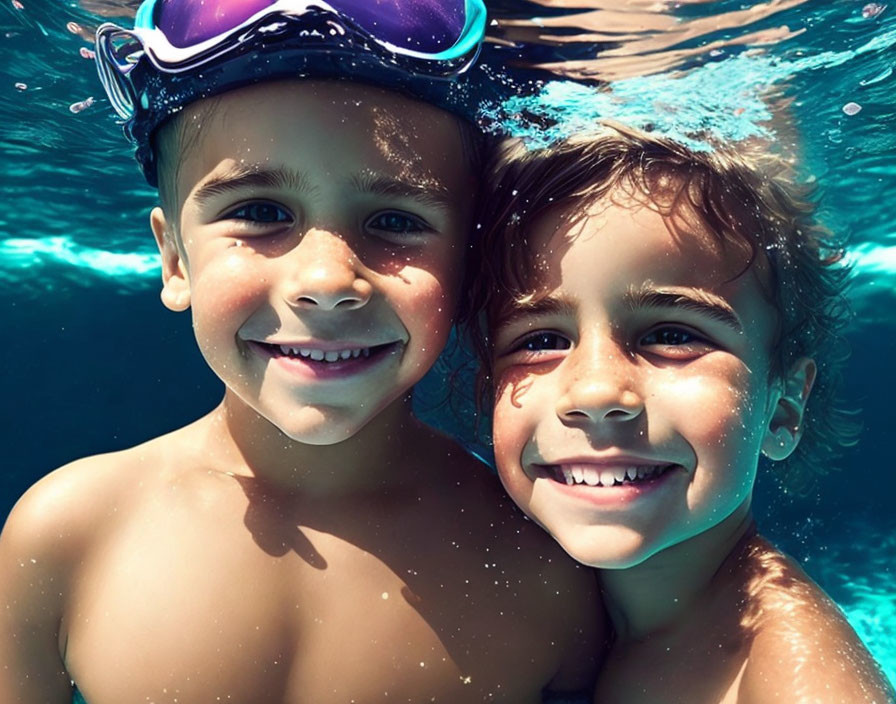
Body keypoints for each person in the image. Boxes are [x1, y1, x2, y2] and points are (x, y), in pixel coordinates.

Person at [0, 2, 605, 702]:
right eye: (260, 212)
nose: (325, 282)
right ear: (173, 260)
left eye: (395, 221)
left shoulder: (548, 567)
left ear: (467, 264)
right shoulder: (67, 533)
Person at [465, 122, 896, 703]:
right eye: (540, 339)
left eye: (671, 334)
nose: (594, 391)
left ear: (783, 407)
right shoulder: (524, 587)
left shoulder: (791, 683)